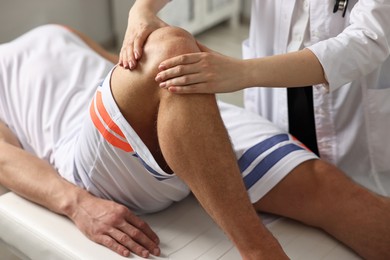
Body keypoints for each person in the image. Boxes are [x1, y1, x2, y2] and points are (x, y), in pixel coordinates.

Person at [1, 24, 390, 260]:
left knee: (330, 188)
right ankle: (257, 248)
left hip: (143, 107)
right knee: (172, 50)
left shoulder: (54, 30)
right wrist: (78, 205)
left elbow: (114, 66)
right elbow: (5, 160)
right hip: (91, 148)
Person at [120, 0, 390, 196]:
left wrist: (243, 72)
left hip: (350, 100)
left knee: (356, 199)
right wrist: (143, 8)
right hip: (274, 93)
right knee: (285, 184)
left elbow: (369, 37)